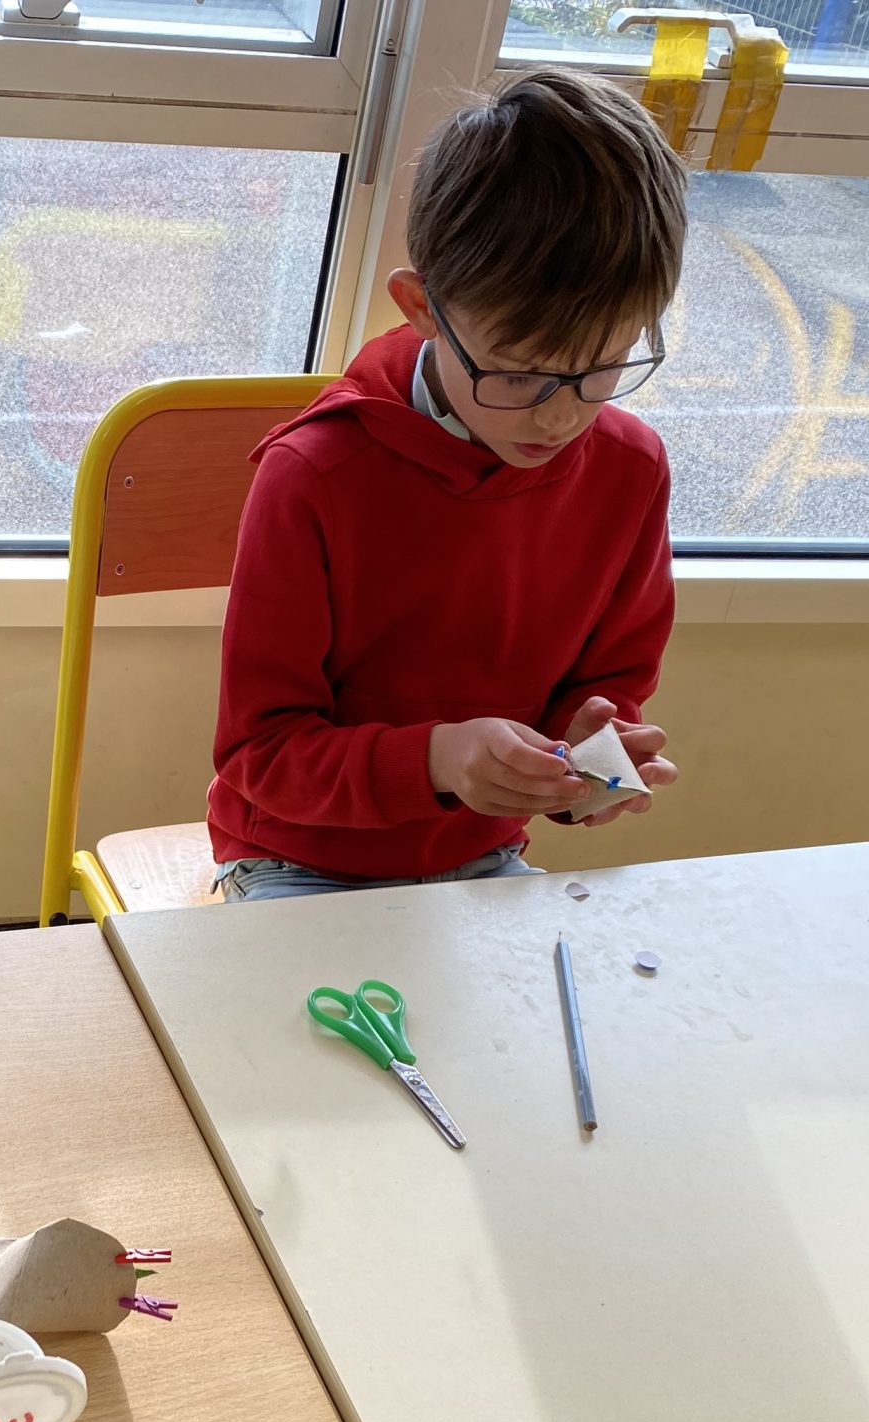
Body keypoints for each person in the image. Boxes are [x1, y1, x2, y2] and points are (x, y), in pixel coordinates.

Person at [208, 66, 686, 903]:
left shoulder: (630, 468)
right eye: (519, 373)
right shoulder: (315, 474)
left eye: (603, 368)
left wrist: (588, 762)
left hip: (483, 856)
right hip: (297, 860)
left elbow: (607, 687)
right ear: (421, 307)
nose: (560, 416)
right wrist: (436, 760)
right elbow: (261, 756)